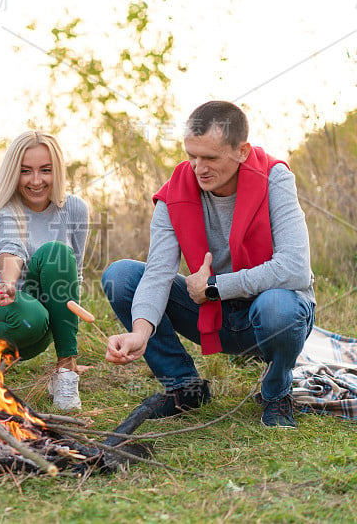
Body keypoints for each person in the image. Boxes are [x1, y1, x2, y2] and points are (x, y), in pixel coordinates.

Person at [102, 101, 315, 428]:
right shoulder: (174, 193)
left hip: (270, 311)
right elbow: (158, 273)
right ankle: (184, 388)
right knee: (121, 276)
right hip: (212, 314)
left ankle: (276, 392)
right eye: (192, 155)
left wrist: (215, 287)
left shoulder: (276, 178)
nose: (198, 167)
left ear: (242, 151)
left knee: (278, 307)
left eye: (211, 158)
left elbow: (294, 269)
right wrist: (140, 332)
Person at [0, 131, 89, 410]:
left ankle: (65, 372)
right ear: (14, 174)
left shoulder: (74, 209)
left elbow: (73, 273)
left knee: (57, 255)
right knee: (31, 314)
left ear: (57, 171)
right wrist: (8, 284)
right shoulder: (7, 210)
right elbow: (11, 249)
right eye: (26, 171)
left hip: (39, 318)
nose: (36, 180)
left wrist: (66, 326)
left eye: (45, 170)